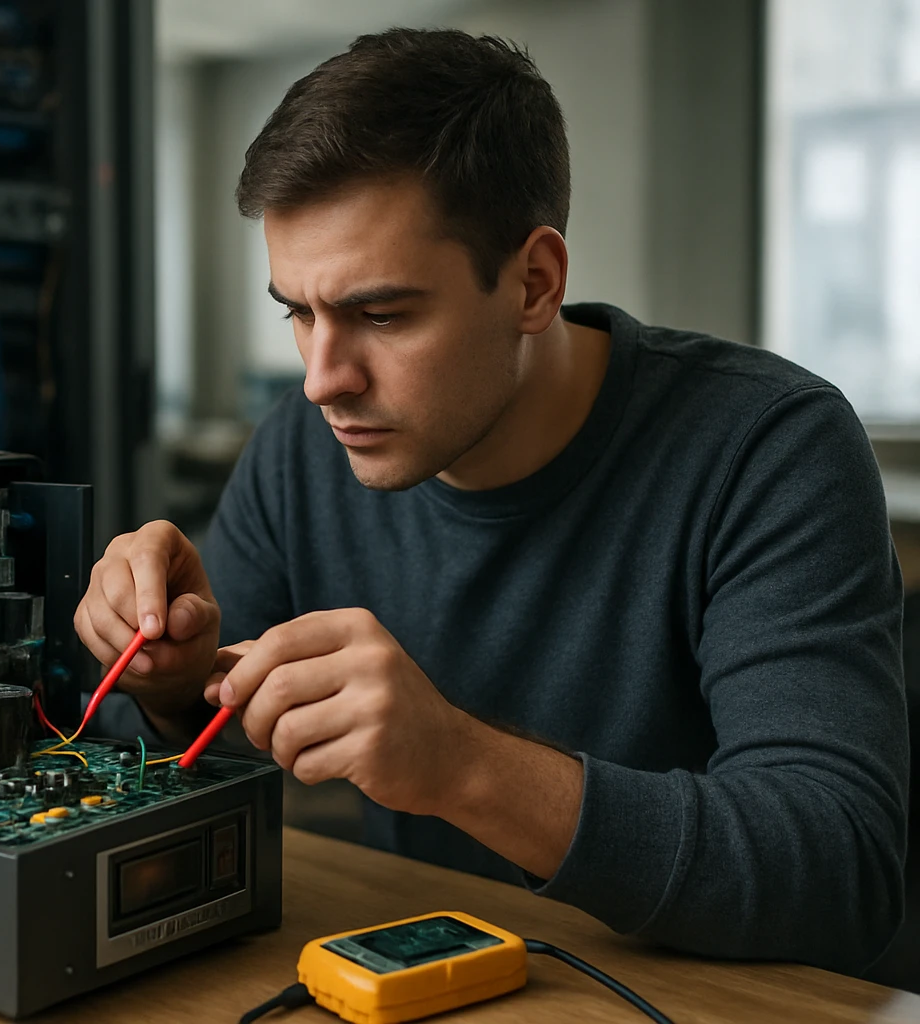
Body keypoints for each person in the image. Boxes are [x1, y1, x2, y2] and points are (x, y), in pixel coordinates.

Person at [74, 28, 908, 974]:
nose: (319, 379)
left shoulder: (769, 447)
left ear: (534, 283)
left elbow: (841, 871)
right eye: (298, 313)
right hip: (421, 978)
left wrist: (463, 766)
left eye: (380, 315)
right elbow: (177, 784)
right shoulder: (303, 452)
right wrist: (173, 683)